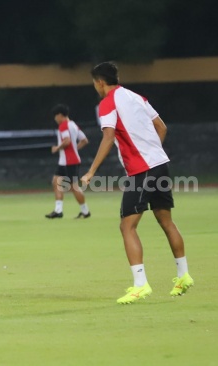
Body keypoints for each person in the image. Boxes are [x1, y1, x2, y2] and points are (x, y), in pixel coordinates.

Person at [80, 61, 194, 304]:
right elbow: (161, 127)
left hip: (141, 171)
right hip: (160, 165)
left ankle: (140, 284)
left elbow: (108, 137)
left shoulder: (107, 103)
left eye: (94, 83)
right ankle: (183, 275)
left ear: (100, 82)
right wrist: (152, 153)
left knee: (127, 226)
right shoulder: (136, 97)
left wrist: (91, 171)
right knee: (166, 222)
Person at [45, 104, 91, 219]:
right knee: (56, 182)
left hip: (69, 161)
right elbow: (84, 140)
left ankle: (85, 211)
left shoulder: (63, 125)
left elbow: (67, 141)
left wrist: (57, 148)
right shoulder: (73, 125)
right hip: (65, 161)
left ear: (60, 115)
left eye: (56, 116)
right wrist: (75, 149)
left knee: (73, 187)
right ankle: (58, 211)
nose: (55, 119)